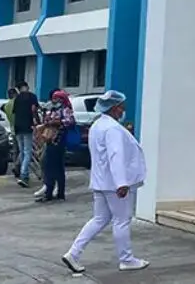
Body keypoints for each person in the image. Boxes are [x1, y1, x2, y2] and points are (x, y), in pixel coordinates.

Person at [62, 91, 149, 274]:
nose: (124, 109)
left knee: (100, 219)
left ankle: (73, 253)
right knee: (122, 220)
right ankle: (126, 259)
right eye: (121, 106)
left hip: (101, 182)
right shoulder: (113, 129)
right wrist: (121, 183)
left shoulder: (98, 125)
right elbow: (115, 156)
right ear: (115, 108)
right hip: (114, 184)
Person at [36, 89, 76, 203]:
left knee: (56, 167)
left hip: (59, 141)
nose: (54, 100)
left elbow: (70, 122)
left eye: (57, 98)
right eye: (53, 98)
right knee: (49, 167)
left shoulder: (65, 109)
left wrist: (56, 122)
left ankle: (58, 193)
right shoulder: (51, 109)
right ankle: (50, 192)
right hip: (50, 140)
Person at [11, 81, 39, 188]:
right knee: (28, 152)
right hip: (28, 127)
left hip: (17, 127)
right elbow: (34, 110)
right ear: (26, 87)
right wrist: (37, 123)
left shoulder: (17, 98)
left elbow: (14, 113)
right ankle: (24, 175)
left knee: (22, 151)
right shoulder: (32, 97)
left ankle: (23, 173)